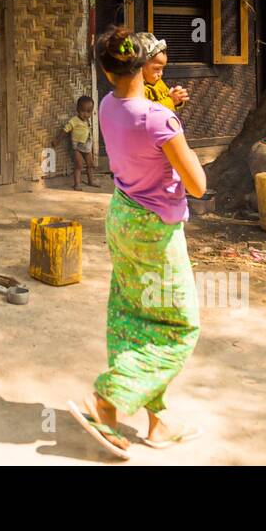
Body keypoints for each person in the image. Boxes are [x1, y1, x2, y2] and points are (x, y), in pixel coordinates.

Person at [67, 25, 207, 460]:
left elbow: (139, 116)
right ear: (144, 67)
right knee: (179, 326)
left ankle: (158, 420)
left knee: (132, 315)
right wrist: (176, 126)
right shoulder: (158, 119)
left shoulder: (108, 106)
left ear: (109, 72)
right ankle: (104, 402)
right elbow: (198, 185)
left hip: (122, 216)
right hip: (155, 232)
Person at [134, 32, 189, 112]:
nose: (161, 73)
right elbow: (147, 112)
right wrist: (171, 101)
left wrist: (177, 98)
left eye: (162, 69)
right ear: (139, 66)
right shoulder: (138, 90)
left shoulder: (158, 83)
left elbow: (168, 97)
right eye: (157, 69)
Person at [62, 95, 98, 190]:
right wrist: (57, 140)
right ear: (77, 109)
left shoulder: (88, 121)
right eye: (83, 111)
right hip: (77, 147)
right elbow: (65, 130)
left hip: (87, 146)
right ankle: (77, 184)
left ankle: (91, 180)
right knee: (79, 165)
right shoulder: (74, 121)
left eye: (88, 111)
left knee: (90, 164)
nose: (85, 114)